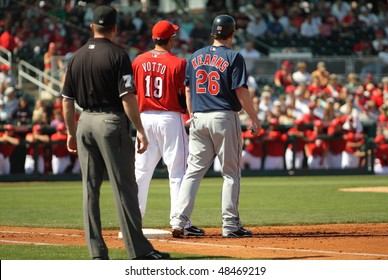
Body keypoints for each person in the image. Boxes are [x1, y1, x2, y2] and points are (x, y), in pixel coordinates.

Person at [61, 5, 169, 260]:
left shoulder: (75, 56)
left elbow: (66, 100)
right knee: (125, 187)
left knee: (90, 188)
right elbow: (127, 97)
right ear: (115, 28)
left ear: (91, 27)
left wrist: (70, 131)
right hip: (110, 122)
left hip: (84, 121)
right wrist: (140, 129)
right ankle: (138, 251)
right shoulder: (118, 55)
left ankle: (97, 252)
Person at [170, 14, 262, 238]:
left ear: (213, 33)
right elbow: (241, 91)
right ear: (232, 34)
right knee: (230, 174)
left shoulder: (195, 56)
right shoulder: (234, 56)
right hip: (223, 116)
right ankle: (230, 225)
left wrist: (192, 115)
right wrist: (254, 118)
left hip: (199, 117)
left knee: (193, 172)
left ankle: (178, 220)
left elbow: (189, 90)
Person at [131, 20, 204, 236]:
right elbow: (185, 93)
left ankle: (132, 221)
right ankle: (179, 222)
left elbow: (134, 92)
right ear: (170, 39)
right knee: (178, 172)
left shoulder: (138, 60)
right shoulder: (178, 63)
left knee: (141, 172)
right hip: (170, 118)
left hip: (144, 117)